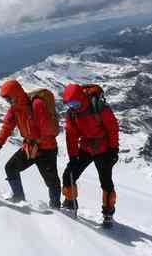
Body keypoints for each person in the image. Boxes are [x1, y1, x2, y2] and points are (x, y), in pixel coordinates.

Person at [0, 80, 62, 208]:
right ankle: (19, 198)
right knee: (11, 167)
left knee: (51, 181)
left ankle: (55, 207)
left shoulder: (37, 104)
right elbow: (7, 127)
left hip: (46, 149)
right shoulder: (14, 109)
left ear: (16, 94)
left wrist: (38, 143)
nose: (8, 102)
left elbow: (47, 129)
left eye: (9, 98)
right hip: (30, 147)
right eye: (6, 100)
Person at [61, 83, 119, 226]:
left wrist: (113, 149)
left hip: (104, 149)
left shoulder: (99, 108)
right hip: (86, 148)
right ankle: (70, 202)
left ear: (81, 98)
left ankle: (108, 214)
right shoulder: (72, 113)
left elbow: (112, 128)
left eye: (74, 103)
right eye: (69, 104)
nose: (73, 106)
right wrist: (73, 156)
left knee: (106, 183)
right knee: (69, 174)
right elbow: (71, 136)